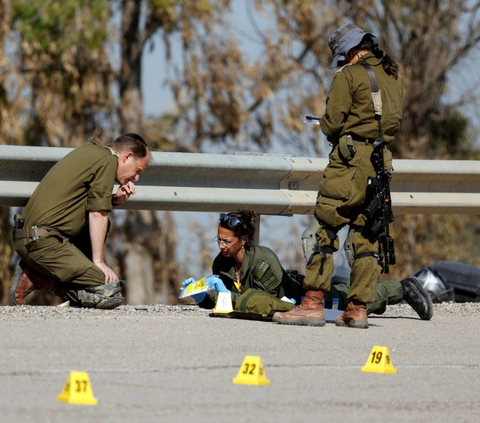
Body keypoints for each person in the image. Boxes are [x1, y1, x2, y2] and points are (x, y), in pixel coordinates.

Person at [273, 23, 403, 328]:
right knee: (367, 235)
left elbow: (332, 124)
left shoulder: (348, 76)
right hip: (380, 164)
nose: (341, 64)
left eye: (343, 58)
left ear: (354, 52)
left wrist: (330, 126)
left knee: (324, 229)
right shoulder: (391, 75)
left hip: (349, 164)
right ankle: (358, 309)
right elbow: (392, 122)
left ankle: (313, 304)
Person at [182, 210, 432, 321]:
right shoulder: (220, 263)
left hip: (301, 298)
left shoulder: (262, 262)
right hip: (288, 303)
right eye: (219, 240)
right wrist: (204, 298)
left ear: (244, 240)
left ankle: (403, 288)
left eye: (227, 241)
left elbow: (274, 305)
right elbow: (228, 302)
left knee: (355, 300)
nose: (221, 246)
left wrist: (229, 298)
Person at [11, 133, 150, 308]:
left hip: (33, 239)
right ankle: (38, 277)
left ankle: (50, 275)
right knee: (109, 291)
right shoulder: (108, 160)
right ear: (127, 156)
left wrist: (114, 200)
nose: (136, 178)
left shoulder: (93, 151)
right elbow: (97, 213)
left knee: (105, 228)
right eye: (137, 171)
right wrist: (98, 262)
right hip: (41, 243)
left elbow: (81, 205)